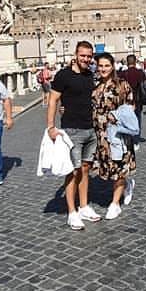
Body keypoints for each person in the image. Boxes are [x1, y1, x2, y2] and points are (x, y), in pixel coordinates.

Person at [48, 41, 102, 230]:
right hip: (71, 130)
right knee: (73, 171)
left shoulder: (90, 75)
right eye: (83, 55)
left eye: (89, 56)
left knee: (86, 169)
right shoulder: (63, 75)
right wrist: (51, 126)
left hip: (90, 129)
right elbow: (53, 99)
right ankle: (72, 213)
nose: (86, 59)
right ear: (76, 55)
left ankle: (84, 206)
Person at [91, 53, 137, 220]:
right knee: (108, 169)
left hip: (117, 134)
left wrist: (116, 116)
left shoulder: (121, 85)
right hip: (100, 135)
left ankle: (115, 204)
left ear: (113, 67)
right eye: (100, 65)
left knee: (119, 167)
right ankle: (127, 184)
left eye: (106, 66)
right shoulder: (95, 85)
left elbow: (131, 106)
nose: (103, 69)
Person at [118, 54, 146, 132]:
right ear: (135, 62)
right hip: (138, 98)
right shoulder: (140, 73)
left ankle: (129, 136)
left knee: (127, 118)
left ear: (127, 62)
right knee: (138, 117)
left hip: (126, 100)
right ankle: (136, 136)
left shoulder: (123, 73)